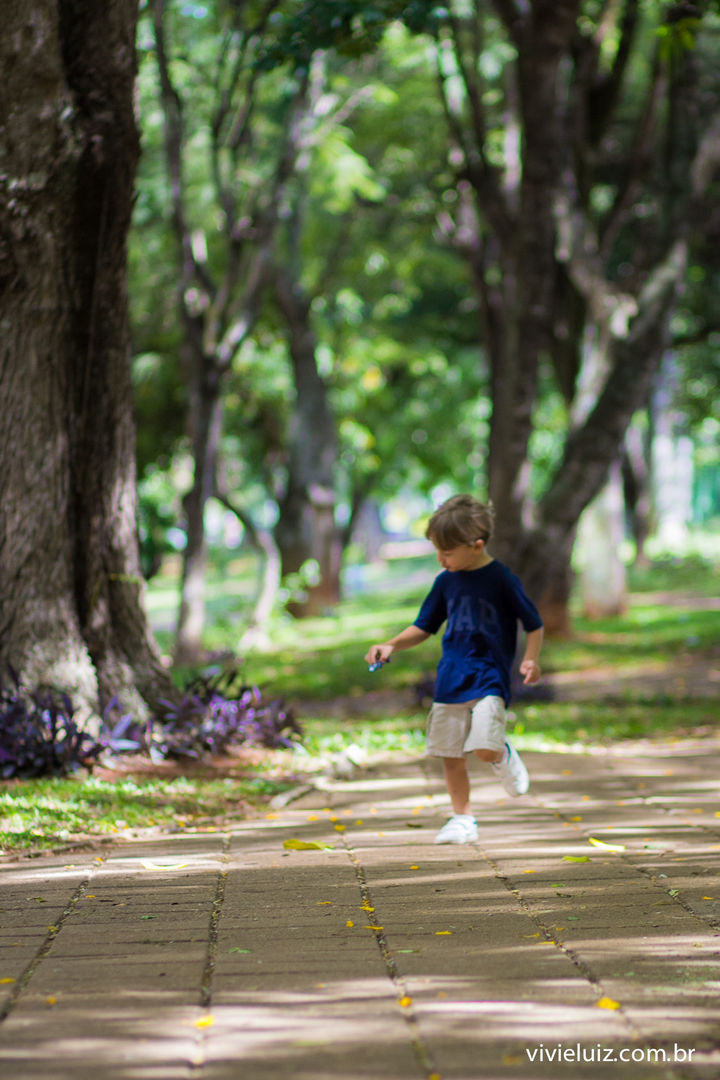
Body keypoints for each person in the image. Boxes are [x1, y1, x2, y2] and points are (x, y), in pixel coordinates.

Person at [364, 494, 543, 845]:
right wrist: (391, 645)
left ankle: (502, 753)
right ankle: (463, 819)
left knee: (484, 750)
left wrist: (531, 659)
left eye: (446, 552)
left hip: (489, 677)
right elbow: (424, 626)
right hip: (450, 679)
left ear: (476, 546)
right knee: (449, 753)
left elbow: (533, 624)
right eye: (437, 550)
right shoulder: (446, 582)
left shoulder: (502, 580)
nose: (440, 559)